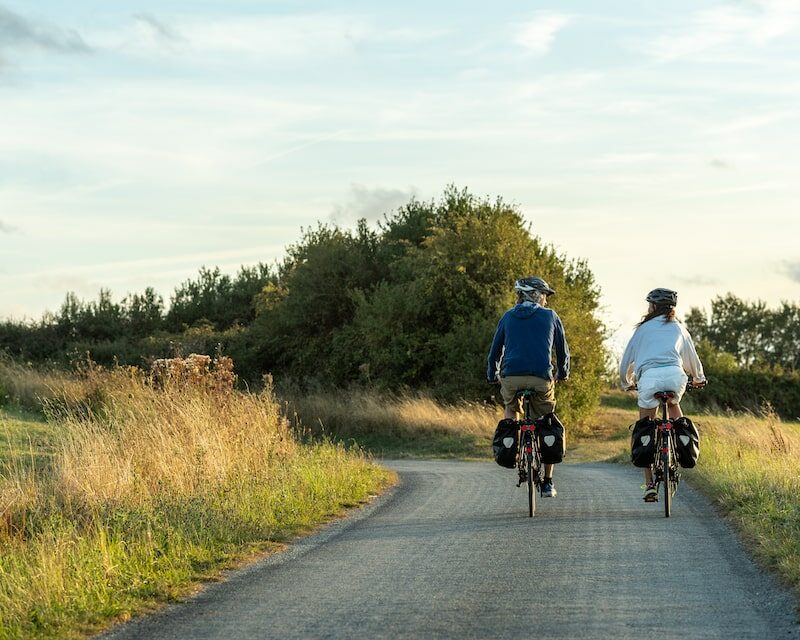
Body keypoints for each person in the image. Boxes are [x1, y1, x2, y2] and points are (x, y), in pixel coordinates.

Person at [619, 287, 706, 502]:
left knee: (645, 426)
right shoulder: (679, 328)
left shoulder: (642, 330)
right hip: (675, 378)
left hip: (649, 380)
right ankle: (679, 441)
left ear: (653, 307)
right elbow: (691, 358)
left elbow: (626, 361)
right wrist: (698, 377)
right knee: (676, 411)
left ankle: (649, 485)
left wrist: (626, 382)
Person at [487, 276, 570, 498]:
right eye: (544, 295)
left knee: (512, 410)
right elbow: (562, 351)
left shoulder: (508, 316)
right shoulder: (550, 316)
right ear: (536, 295)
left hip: (511, 377)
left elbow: (495, 351)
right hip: (541, 378)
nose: (545, 299)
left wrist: (492, 374)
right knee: (547, 421)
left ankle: (513, 447)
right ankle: (548, 483)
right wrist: (562, 373)